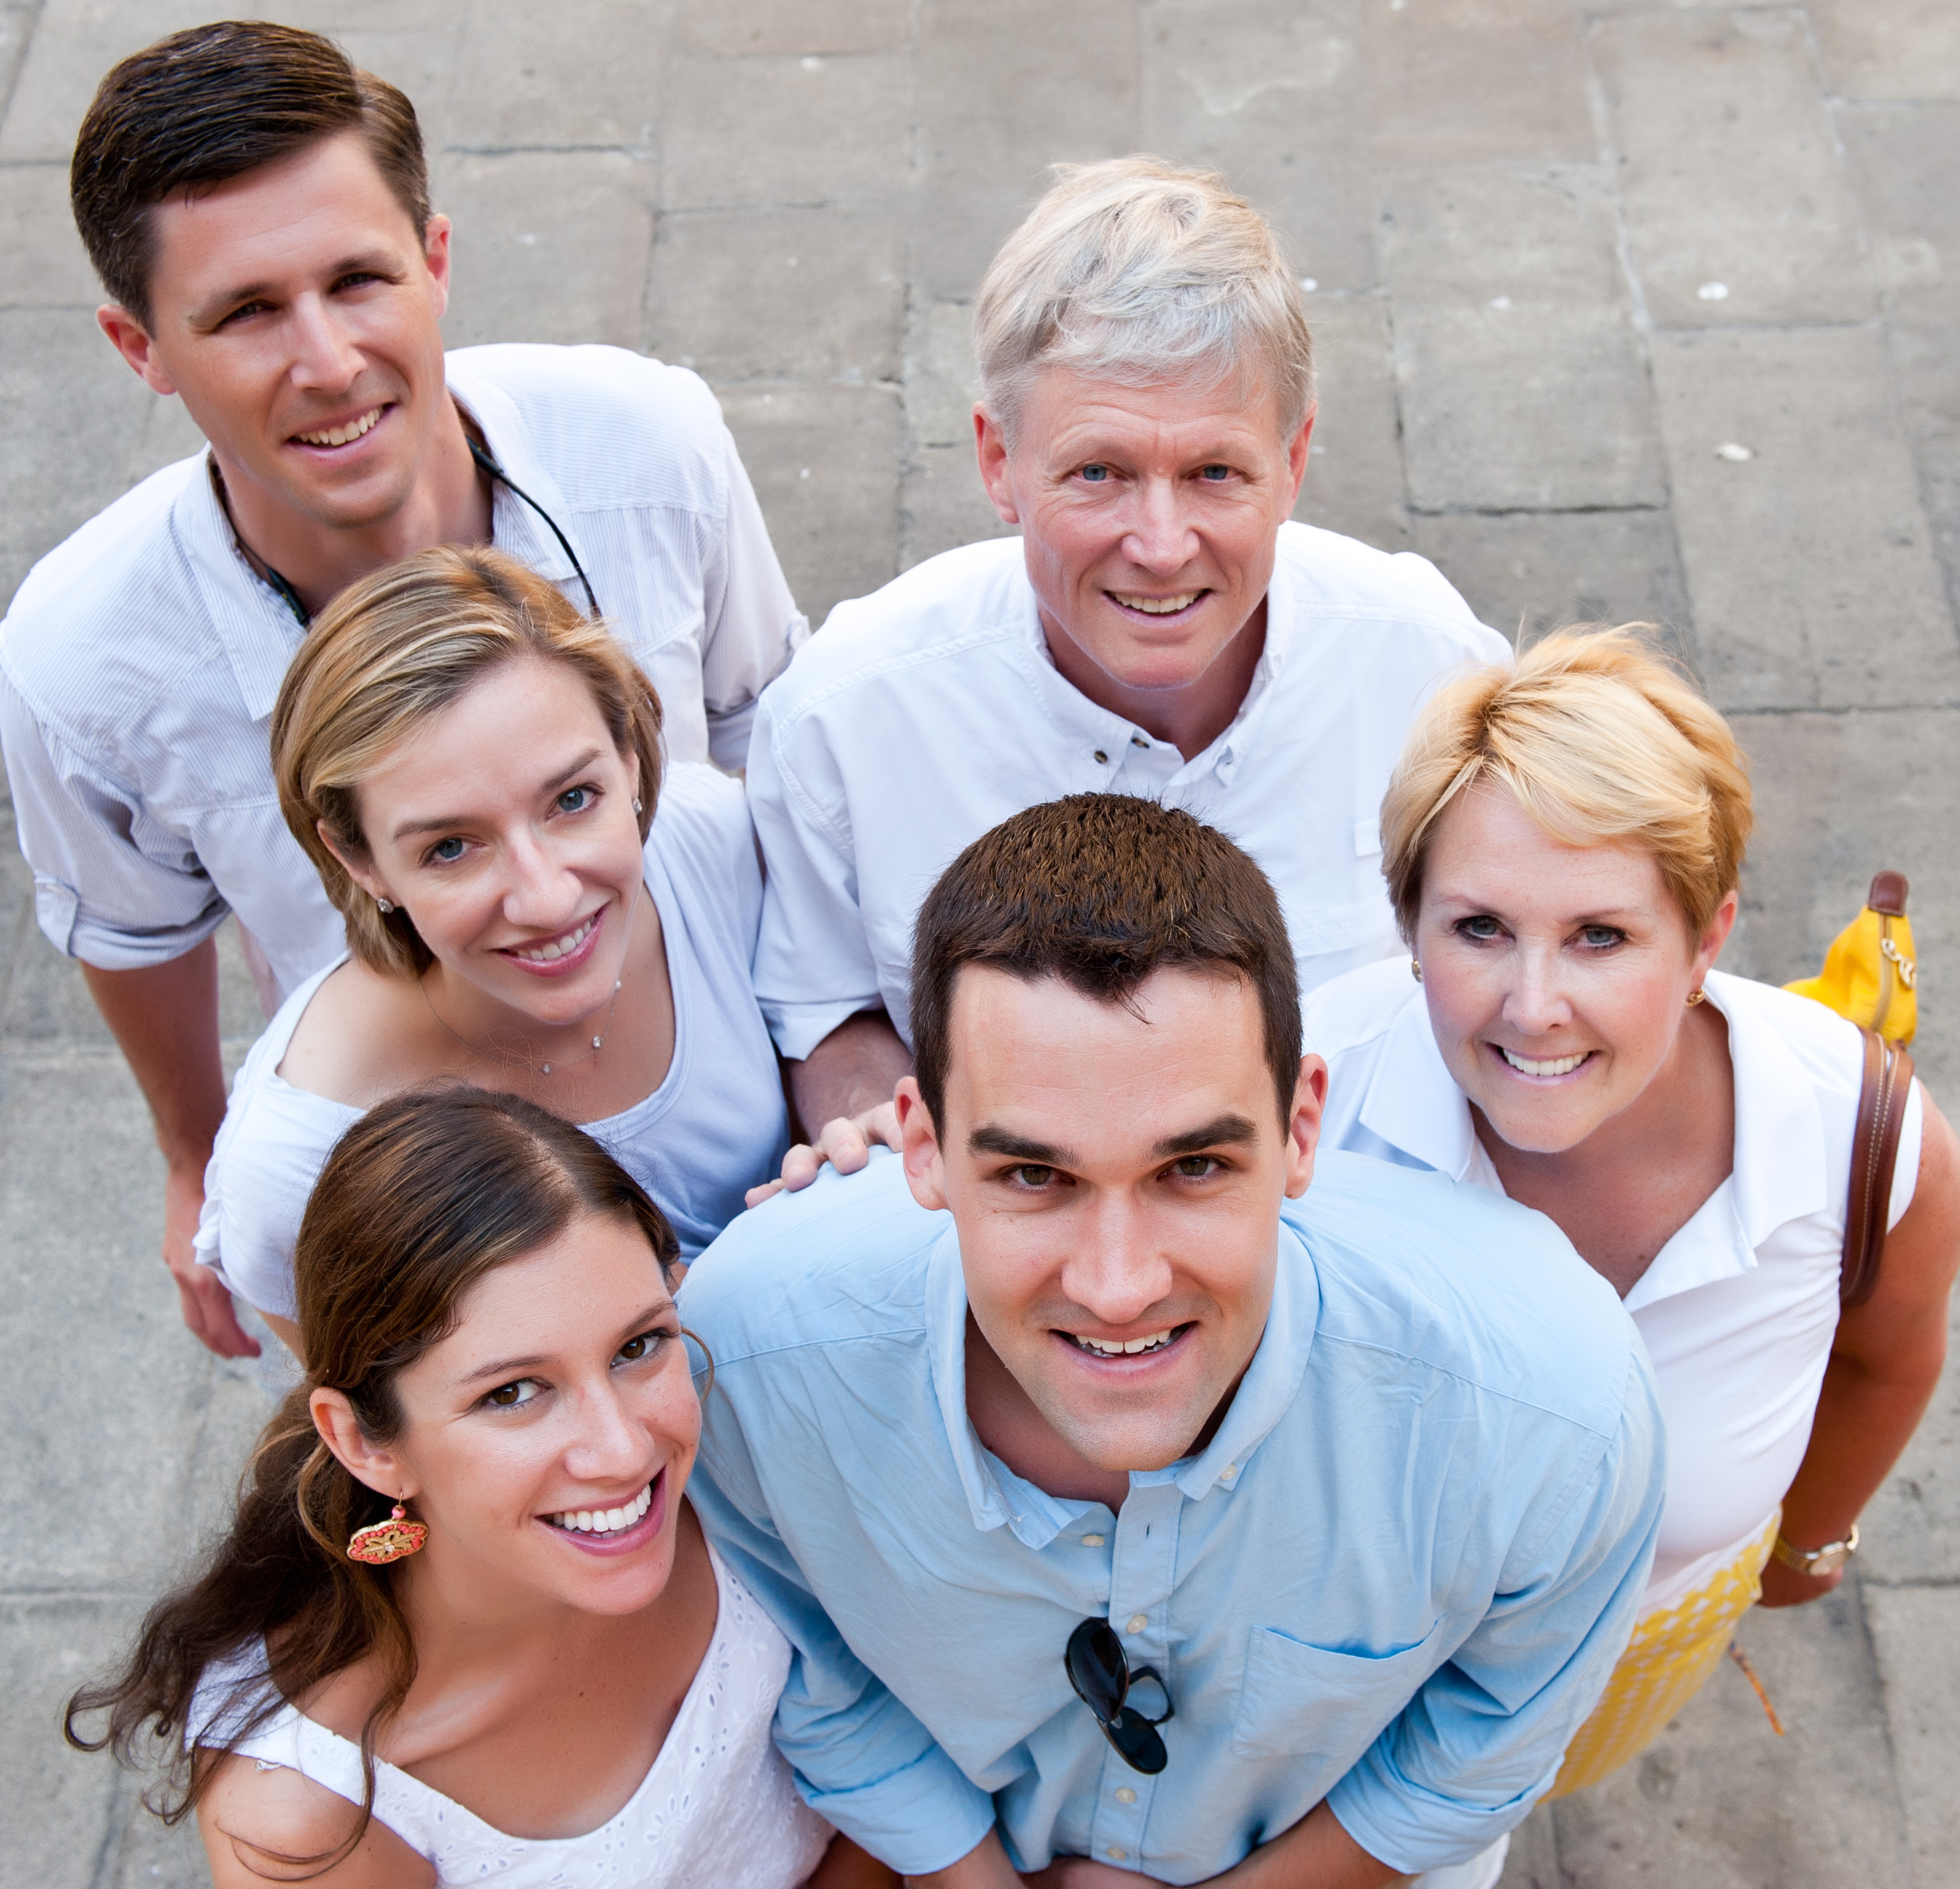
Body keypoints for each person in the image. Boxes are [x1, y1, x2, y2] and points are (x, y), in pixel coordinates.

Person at [679, 794, 1665, 1886]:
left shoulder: (1554, 1410)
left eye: (1192, 1168)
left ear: (1302, 1131)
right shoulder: (744, 1364)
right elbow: (814, 1674)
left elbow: (1483, 1745)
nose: (1117, 1286)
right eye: (1033, 1175)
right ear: (921, 1147)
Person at [0, 22, 804, 1356]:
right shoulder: (82, 658)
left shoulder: (652, 444)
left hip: (713, 1074)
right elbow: (132, 925)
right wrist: (197, 1152)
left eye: (358, 280)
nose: (326, 363)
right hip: (419, 1183)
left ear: (436, 263)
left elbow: (772, 735)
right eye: (246, 312)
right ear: (140, 347)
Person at [743, 157, 1507, 1200]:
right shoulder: (844, 719)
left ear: (1296, 458)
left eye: (1215, 473)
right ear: (997, 461)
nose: (1160, 545)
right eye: (1099, 472)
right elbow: (826, 1007)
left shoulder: (1431, 669)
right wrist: (882, 1137)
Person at [1302, 627, 1960, 1794]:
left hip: (1629, 1657)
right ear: (1409, 925)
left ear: (1707, 940)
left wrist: (1808, 1544)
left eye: (1601, 935)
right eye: (1480, 928)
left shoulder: (1860, 1137)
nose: (1535, 1006)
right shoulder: (1293, 1094)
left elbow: (1888, 1357)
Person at [67, 1086, 894, 1887]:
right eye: (512, 1392)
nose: (623, 1448)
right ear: (361, 1440)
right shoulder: (310, 1814)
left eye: (639, 1345)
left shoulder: (739, 1437)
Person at [194, 546, 787, 1362]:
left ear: (628, 754)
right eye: (451, 847)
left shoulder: (710, 845)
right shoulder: (299, 1166)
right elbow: (395, 1453)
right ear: (358, 860)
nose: (545, 899)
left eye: (573, 800)